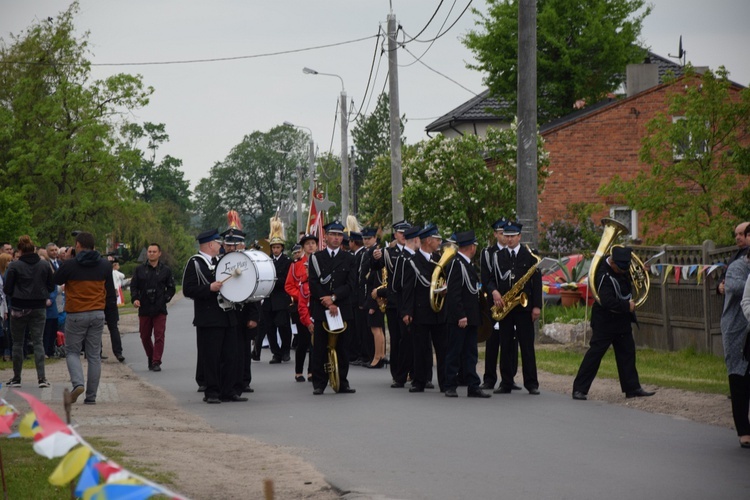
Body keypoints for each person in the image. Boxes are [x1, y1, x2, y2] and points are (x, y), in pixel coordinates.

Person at [572, 246, 655, 400]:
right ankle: (579, 389)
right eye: (621, 268)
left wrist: (642, 272)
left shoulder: (623, 266)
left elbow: (628, 279)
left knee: (627, 353)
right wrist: (626, 306)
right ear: (613, 263)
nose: (624, 271)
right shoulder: (603, 274)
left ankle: (632, 388)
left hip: (621, 319)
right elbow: (607, 301)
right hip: (605, 320)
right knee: (595, 355)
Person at [182, 229, 246, 404]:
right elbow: (188, 290)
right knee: (211, 357)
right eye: (219, 243)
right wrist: (208, 288)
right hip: (209, 318)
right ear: (211, 244)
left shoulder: (223, 261)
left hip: (228, 316)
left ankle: (228, 391)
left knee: (230, 355)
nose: (221, 246)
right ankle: (212, 392)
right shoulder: (195, 263)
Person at [54, 231, 117, 404]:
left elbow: (56, 279)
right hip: (97, 313)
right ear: (94, 246)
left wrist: (66, 258)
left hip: (76, 314)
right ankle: (91, 397)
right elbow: (110, 292)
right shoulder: (105, 265)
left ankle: (78, 384)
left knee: (72, 351)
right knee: (94, 355)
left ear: (78, 245)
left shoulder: (70, 265)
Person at [490, 222, 542, 395]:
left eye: (513, 236)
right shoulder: (498, 256)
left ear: (519, 236)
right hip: (505, 305)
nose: (509, 239)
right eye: (507, 236)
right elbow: (490, 278)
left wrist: (536, 306)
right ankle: (506, 382)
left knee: (527, 346)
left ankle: (531, 383)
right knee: (505, 345)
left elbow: (537, 282)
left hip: (524, 307)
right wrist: (495, 292)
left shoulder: (530, 255)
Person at [308, 220, 357, 395]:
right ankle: (319, 383)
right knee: (319, 347)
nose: (336, 238)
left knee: (343, 348)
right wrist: (327, 301)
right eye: (333, 235)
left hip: (342, 307)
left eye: (339, 235)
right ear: (326, 236)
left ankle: (342, 382)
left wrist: (334, 298)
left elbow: (352, 284)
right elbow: (313, 283)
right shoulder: (316, 257)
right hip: (322, 308)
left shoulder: (350, 258)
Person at [443, 231, 491, 398]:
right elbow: (454, 294)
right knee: (454, 352)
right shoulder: (456, 264)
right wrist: (461, 315)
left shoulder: (467, 264)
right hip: (460, 318)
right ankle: (450, 384)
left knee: (471, 353)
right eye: (475, 246)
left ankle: (473, 386)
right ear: (471, 247)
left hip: (471, 317)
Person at [4, 235, 55, 388]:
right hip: (39, 306)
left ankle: (17, 377)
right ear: (33, 248)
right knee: (38, 341)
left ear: (19, 250)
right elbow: (51, 286)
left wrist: (16, 294)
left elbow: (7, 288)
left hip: (19, 307)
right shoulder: (44, 265)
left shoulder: (14, 266)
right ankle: (42, 378)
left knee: (18, 343)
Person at [401, 224, 447, 393]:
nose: (439, 242)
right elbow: (408, 288)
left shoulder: (440, 259)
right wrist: (407, 311)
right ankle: (419, 381)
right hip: (420, 311)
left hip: (438, 310)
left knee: (442, 348)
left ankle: (445, 382)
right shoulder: (413, 261)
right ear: (428, 240)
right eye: (437, 239)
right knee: (420, 348)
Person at [480, 218, 519, 391]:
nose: (506, 237)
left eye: (508, 233)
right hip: (494, 302)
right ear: (495, 234)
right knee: (492, 340)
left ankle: (509, 378)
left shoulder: (516, 252)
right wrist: (494, 291)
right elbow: (486, 277)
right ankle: (489, 378)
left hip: (512, 304)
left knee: (511, 341)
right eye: (502, 233)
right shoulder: (488, 253)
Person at [130, 243, 176, 372]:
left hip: (159, 308)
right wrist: (135, 299)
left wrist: (165, 298)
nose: (151, 253)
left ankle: (156, 361)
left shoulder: (165, 270)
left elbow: (171, 287)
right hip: (144, 307)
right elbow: (134, 286)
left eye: (154, 251)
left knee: (159, 335)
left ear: (159, 253)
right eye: (149, 251)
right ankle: (150, 356)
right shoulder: (139, 270)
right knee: (144, 336)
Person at [389, 225, 420, 388]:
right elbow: (397, 286)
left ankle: (416, 375)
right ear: (415, 240)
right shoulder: (403, 258)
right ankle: (400, 376)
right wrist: (405, 310)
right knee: (406, 343)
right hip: (405, 308)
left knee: (415, 343)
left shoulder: (415, 257)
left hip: (416, 307)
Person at [285, 233, 317, 382]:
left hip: (317, 305)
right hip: (301, 306)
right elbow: (289, 286)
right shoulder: (296, 265)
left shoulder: (320, 262)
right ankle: (299, 371)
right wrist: (302, 295)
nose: (311, 246)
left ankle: (312, 370)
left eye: (313, 243)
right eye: (308, 244)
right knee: (303, 340)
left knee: (316, 340)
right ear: (303, 247)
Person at [260, 233, 293, 364]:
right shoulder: (266, 260)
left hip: (281, 297)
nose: (275, 250)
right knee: (270, 327)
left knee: (283, 326)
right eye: (273, 247)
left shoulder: (287, 261)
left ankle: (285, 351)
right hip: (268, 298)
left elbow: (286, 279)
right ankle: (276, 353)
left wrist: (273, 281)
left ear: (282, 248)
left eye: (278, 247)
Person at [730, 249, 750, 448]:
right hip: (736, 331)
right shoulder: (737, 266)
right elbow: (736, 289)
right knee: (739, 380)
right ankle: (744, 431)